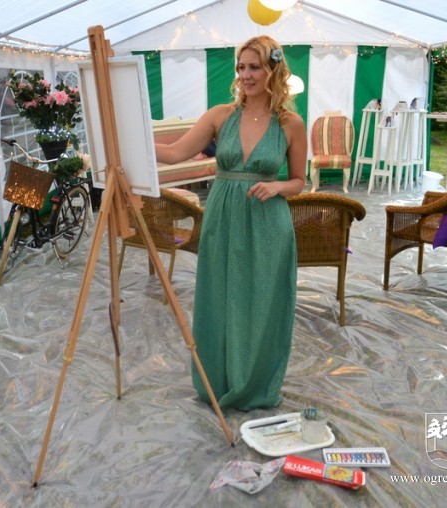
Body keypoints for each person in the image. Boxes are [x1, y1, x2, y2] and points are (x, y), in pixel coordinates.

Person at [155, 35, 307, 411]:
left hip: (268, 224)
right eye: (241, 67)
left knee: (263, 303)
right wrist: (127, 143)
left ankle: (255, 384)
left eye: (255, 67)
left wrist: (277, 186)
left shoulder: (291, 124)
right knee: (218, 299)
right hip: (223, 220)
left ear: (273, 69)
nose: (246, 75)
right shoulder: (220, 116)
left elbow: (299, 182)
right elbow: (174, 153)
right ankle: (217, 381)